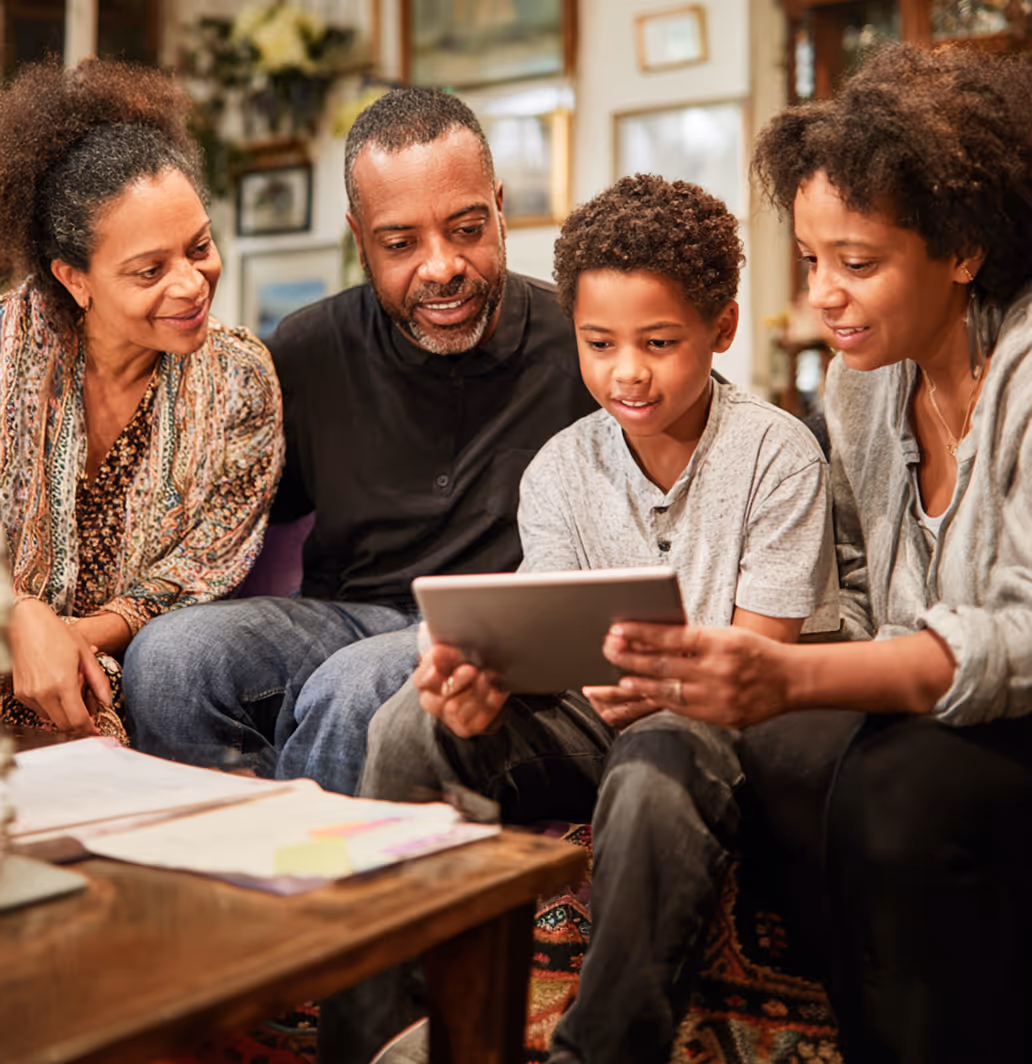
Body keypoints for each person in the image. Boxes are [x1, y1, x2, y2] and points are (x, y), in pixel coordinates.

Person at [592, 43, 1032, 1063]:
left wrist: (790, 673)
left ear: (963, 246)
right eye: (812, 260)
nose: (824, 295)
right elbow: (862, 595)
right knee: (748, 748)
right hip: (930, 703)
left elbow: (1020, 631)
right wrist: (711, 664)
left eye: (859, 262)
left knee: (893, 789)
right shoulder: (862, 388)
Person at [344, 174, 838, 1064]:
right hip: (589, 714)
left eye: (659, 342)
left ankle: (597, 1052)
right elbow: (550, 636)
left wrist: (667, 683)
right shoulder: (561, 467)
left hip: (716, 730)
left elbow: (763, 660)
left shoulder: (779, 455)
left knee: (656, 758)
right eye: (598, 343)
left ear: (721, 331)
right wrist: (476, 679)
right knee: (405, 729)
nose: (627, 372)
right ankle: (384, 1039)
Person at [122, 87, 597, 793]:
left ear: (499, 208)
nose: (440, 268)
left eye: (466, 229)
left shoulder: (586, 343)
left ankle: (313, 893)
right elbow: (232, 524)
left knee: (353, 686)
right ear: (360, 239)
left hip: (498, 631)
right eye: (400, 244)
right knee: (167, 657)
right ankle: (219, 868)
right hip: (348, 613)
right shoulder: (309, 348)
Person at [0, 59, 283, 744]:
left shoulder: (242, 381)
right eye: (150, 270)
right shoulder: (5, 347)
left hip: (125, 668)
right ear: (75, 278)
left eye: (201, 247)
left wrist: (68, 639)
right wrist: (17, 617)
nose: (191, 284)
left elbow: (195, 573)